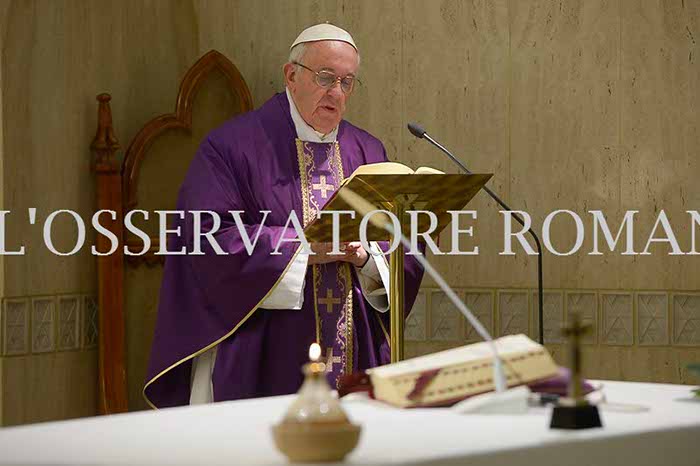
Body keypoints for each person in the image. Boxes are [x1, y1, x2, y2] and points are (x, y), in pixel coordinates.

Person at [144, 23, 424, 408]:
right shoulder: (233, 147)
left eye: (347, 82)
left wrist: (365, 257)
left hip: (354, 347)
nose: (336, 92)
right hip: (264, 351)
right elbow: (206, 238)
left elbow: (399, 249)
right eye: (325, 77)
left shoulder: (367, 151)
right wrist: (304, 248)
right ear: (291, 75)